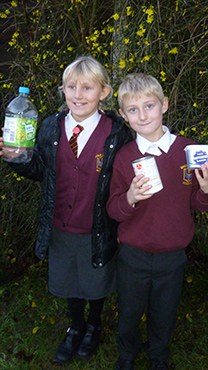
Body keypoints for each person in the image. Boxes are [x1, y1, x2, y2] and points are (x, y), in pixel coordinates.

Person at [0, 56, 133, 365]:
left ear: (104, 92)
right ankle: (76, 325)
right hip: (60, 225)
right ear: (63, 90)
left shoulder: (117, 132)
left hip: (96, 227)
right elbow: (40, 170)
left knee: (95, 281)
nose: (77, 95)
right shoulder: (50, 126)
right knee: (69, 280)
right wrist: (17, 158)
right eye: (71, 87)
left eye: (87, 88)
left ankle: (94, 324)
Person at [106, 73, 208, 370]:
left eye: (149, 106)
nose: (143, 115)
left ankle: (158, 356)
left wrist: (205, 191)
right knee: (129, 311)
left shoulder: (188, 151)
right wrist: (130, 197)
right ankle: (127, 353)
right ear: (124, 115)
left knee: (164, 312)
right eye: (133, 110)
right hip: (133, 254)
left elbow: (197, 205)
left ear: (164, 105)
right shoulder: (125, 157)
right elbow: (113, 209)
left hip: (173, 256)